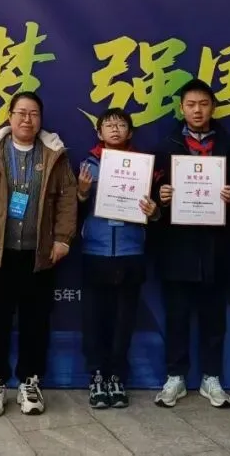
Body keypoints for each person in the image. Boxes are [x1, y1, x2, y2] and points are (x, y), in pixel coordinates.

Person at [0, 91, 78, 417]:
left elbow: (67, 198)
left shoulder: (54, 154)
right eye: (21, 112)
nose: (27, 119)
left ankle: (30, 381)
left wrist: (63, 239)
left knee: (36, 321)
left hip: (39, 254)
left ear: (40, 119)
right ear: (9, 117)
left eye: (33, 113)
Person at [149, 79, 230, 409]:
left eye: (204, 104)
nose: (197, 110)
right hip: (177, 246)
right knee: (176, 316)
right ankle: (175, 377)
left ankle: (212, 378)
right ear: (182, 108)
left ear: (213, 107)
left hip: (217, 248)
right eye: (191, 105)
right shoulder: (166, 146)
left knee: (214, 319)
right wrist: (161, 195)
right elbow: (149, 191)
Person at [76, 108, 158, 409]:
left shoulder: (145, 167)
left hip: (131, 251)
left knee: (125, 319)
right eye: (108, 125)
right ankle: (97, 375)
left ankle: (117, 377)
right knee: (94, 318)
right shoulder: (87, 165)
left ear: (130, 132)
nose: (114, 129)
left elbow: (158, 212)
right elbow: (69, 210)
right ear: (99, 133)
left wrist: (154, 212)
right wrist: (81, 193)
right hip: (95, 250)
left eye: (120, 125)